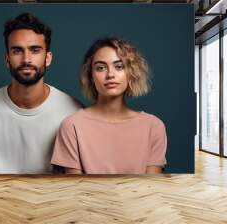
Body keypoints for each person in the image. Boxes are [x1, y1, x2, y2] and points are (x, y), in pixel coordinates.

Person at [0, 13, 81, 174]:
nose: (26, 59)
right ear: (7, 59)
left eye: (35, 50)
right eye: (17, 51)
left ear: (47, 58)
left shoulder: (73, 112)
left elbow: (74, 185)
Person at [51, 38, 167, 174]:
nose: (110, 75)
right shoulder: (72, 126)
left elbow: (150, 188)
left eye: (119, 67)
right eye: (101, 68)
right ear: (91, 76)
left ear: (130, 73)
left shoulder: (153, 126)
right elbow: (76, 189)